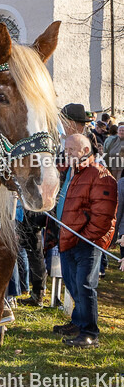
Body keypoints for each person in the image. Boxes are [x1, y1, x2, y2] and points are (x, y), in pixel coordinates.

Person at [52, 133, 117, 348]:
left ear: (85, 151)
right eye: (66, 148)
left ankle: (90, 333)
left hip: (85, 242)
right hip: (68, 239)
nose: (66, 152)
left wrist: (86, 239)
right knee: (73, 284)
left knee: (85, 286)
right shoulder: (70, 171)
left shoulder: (99, 175)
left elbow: (103, 216)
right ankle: (78, 322)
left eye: (72, 149)